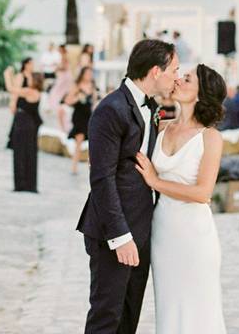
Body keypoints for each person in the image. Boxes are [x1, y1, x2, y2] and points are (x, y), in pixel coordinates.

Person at [76, 39, 179, 334]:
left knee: (129, 318)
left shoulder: (151, 108)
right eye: (174, 70)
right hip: (114, 231)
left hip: (141, 230)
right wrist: (120, 236)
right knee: (106, 317)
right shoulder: (111, 109)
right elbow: (101, 178)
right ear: (156, 71)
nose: (176, 77)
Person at [135, 63, 228, 333]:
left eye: (187, 78)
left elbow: (203, 193)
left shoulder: (210, 138)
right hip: (163, 234)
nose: (178, 80)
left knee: (199, 310)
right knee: (169, 308)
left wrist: (155, 181)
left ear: (201, 94)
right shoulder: (161, 127)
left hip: (195, 236)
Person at [7, 72, 43, 192]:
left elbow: (11, 89)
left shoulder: (29, 91)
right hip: (30, 125)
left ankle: (20, 184)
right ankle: (29, 184)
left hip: (23, 124)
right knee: (30, 154)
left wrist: (7, 75)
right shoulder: (37, 93)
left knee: (19, 154)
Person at [65, 66, 97, 175]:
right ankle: (74, 166)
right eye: (87, 73)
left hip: (89, 116)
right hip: (79, 116)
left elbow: (94, 102)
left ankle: (91, 167)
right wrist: (78, 98)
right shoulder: (77, 86)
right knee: (79, 140)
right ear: (82, 74)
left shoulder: (92, 86)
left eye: (90, 73)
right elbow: (68, 101)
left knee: (92, 143)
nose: (89, 75)